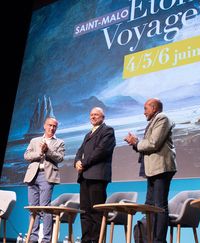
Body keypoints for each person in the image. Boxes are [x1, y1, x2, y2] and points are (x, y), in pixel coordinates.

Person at [124, 98, 177, 243]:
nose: (144, 112)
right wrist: (135, 143)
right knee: (150, 206)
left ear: (154, 108)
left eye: (145, 109)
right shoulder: (154, 121)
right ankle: (150, 238)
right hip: (153, 169)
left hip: (161, 168)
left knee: (159, 206)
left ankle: (159, 240)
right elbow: (148, 144)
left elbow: (153, 143)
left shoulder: (162, 118)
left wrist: (136, 142)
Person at [74, 107, 116, 243]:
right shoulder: (88, 134)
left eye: (96, 115)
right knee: (85, 213)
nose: (93, 117)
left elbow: (101, 151)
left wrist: (84, 163)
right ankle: (86, 240)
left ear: (103, 117)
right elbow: (79, 151)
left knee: (97, 213)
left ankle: (97, 240)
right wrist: (77, 162)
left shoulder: (108, 131)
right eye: (91, 115)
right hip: (84, 177)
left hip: (97, 177)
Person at [24, 117, 65, 243]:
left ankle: (46, 239)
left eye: (54, 126)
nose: (52, 128)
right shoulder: (34, 140)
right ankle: (33, 237)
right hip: (32, 175)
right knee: (33, 208)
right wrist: (40, 154)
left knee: (45, 208)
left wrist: (48, 151)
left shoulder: (59, 142)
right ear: (44, 126)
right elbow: (26, 155)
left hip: (47, 176)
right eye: (50, 125)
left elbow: (60, 158)